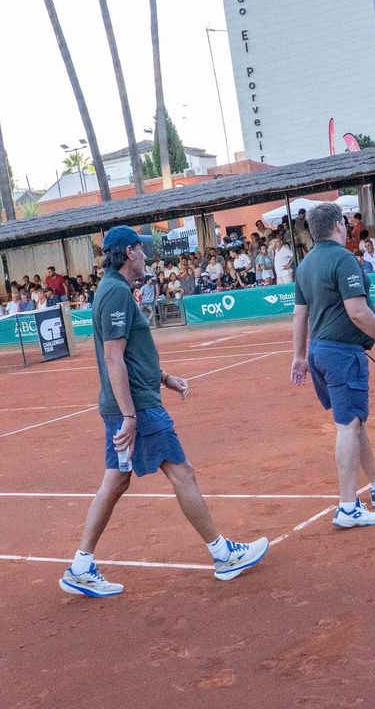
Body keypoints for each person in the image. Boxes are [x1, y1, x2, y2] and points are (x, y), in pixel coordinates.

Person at [60, 227, 269, 598]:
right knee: (181, 472)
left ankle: (79, 567)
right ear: (128, 252)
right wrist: (129, 415)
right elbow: (113, 356)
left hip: (132, 402)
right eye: (141, 250)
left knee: (116, 481)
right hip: (136, 407)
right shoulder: (116, 293)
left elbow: (132, 356)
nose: (146, 257)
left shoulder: (114, 290)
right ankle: (223, 555)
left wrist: (165, 378)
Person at [290, 203, 375, 529]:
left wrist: (299, 355)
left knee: (353, 420)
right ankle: (347, 505)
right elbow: (357, 311)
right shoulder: (342, 259)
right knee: (348, 425)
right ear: (339, 226)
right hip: (342, 354)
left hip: (320, 353)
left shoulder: (306, 264)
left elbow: (300, 315)